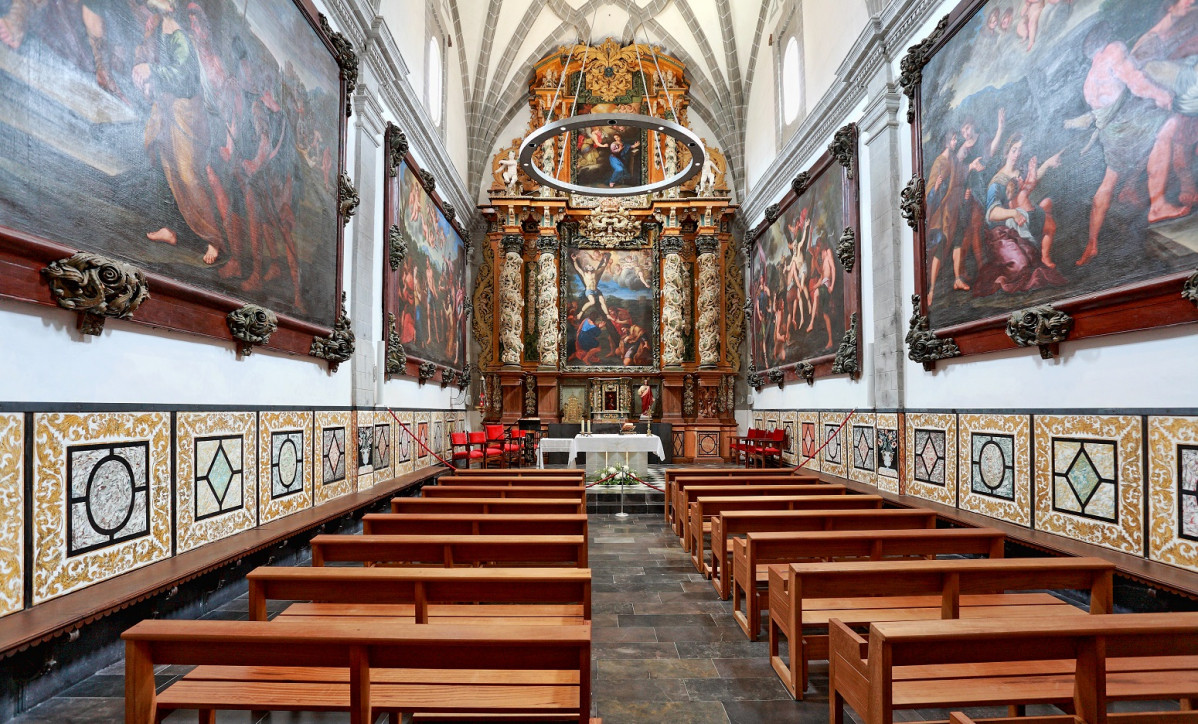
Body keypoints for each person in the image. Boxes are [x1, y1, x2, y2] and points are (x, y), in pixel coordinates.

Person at [1067, 22, 1178, 266]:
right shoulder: (1113, 50)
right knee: (1169, 124)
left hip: (1111, 133)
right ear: (1105, 39)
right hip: (1125, 126)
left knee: (1108, 182)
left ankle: (1092, 245)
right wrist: (1162, 95)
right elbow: (1136, 81)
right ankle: (1158, 204)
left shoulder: (1090, 76)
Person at [971, 134, 1067, 296]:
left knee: (1031, 260)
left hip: (1018, 227)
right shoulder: (997, 182)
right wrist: (1014, 213)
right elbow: (991, 213)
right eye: (1014, 150)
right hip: (1000, 234)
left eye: (1020, 150)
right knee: (1020, 266)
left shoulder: (1019, 171)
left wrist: (1048, 164)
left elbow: (1030, 182)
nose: (1017, 154)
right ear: (1007, 152)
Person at [572, 250, 612, 319]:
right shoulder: (584, 274)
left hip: (596, 290)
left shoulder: (595, 273)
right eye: (589, 268)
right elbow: (577, 268)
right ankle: (580, 313)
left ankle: (607, 315)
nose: (590, 269)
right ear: (587, 269)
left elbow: (602, 268)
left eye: (591, 268)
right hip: (589, 291)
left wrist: (605, 261)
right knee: (592, 302)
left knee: (603, 301)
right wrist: (574, 260)